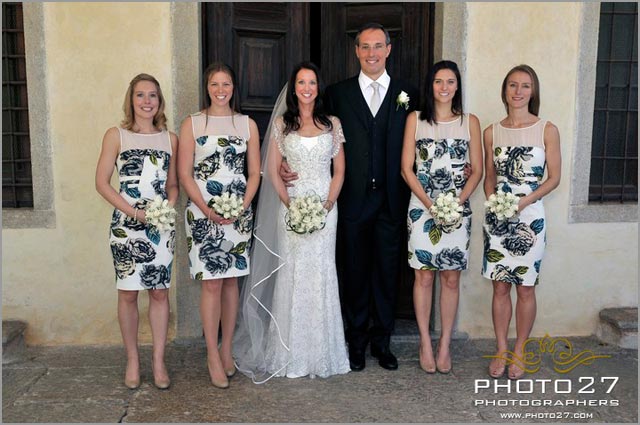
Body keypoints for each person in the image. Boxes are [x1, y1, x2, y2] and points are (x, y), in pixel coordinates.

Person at [303, 22, 419, 371]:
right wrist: (285, 163)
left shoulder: (408, 93)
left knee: (386, 273)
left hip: (391, 199)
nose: (371, 53)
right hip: (351, 199)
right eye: (365, 47)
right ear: (356, 51)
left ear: (388, 49)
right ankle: (355, 342)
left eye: (377, 46)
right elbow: (314, 134)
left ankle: (382, 343)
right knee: (353, 272)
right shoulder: (338, 94)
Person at [234, 61, 350, 382]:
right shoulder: (283, 125)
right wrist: (291, 205)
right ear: (294, 87)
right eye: (301, 82)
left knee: (322, 274)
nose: (307, 88)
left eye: (312, 82)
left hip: (326, 208)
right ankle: (288, 353)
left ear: (318, 87)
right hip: (293, 207)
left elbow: (339, 170)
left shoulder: (333, 124)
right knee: (293, 274)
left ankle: (324, 354)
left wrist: (327, 203)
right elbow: (272, 170)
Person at [178, 62, 261, 389]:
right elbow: (185, 173)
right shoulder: (193, 124)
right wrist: (205, 208)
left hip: (238, 214)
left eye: (226, 84)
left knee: (231, 284)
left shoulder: (247, 124)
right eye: (215, 84)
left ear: (233, 87)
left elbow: (254, 172)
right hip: (202, 214)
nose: (221, 90)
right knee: (211, 283)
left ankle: (228, 349)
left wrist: (241, 206)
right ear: (207, 87)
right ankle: (211, 352)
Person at [95, 73, 178, 390]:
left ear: (159, 101)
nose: (147, 101)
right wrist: (134, 213)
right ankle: (132, 359)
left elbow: (172, 186)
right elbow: (102, 183)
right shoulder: (116, 135)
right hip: (125, 228)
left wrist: (164, 210)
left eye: (153, 95)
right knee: (128, 293)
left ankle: (158, 361)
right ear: (131, 100)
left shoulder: (170, 140)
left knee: (159, 292)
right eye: (141, 95)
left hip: (159, 228)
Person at [400, 60, 483, 374]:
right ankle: (424, 340)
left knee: (451, 277)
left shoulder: (469, 122)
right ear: (430, 85)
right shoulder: (416, 120)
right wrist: (431, 205)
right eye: (438, 81)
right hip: (422, 208)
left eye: (450, 81)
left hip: (458, 209)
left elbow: (478, 170)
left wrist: (458, 203)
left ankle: (445, 343)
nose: (444, 88)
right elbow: (406, 169)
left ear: (457, 86)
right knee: (423, 275)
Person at [482, 64, 561, 380]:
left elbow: (554, 178)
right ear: (505, 90)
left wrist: (524, 202)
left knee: (525, 288)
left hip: (530, 218)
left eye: (525, 86)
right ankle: (501, 348)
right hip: (498, 220)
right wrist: (495, 204)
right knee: (500, 287)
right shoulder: (492, 132)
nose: (518, 91)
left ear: (533, 91)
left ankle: (520, 349)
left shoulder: (547, 129)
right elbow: (489, 178)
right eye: (512, 85)